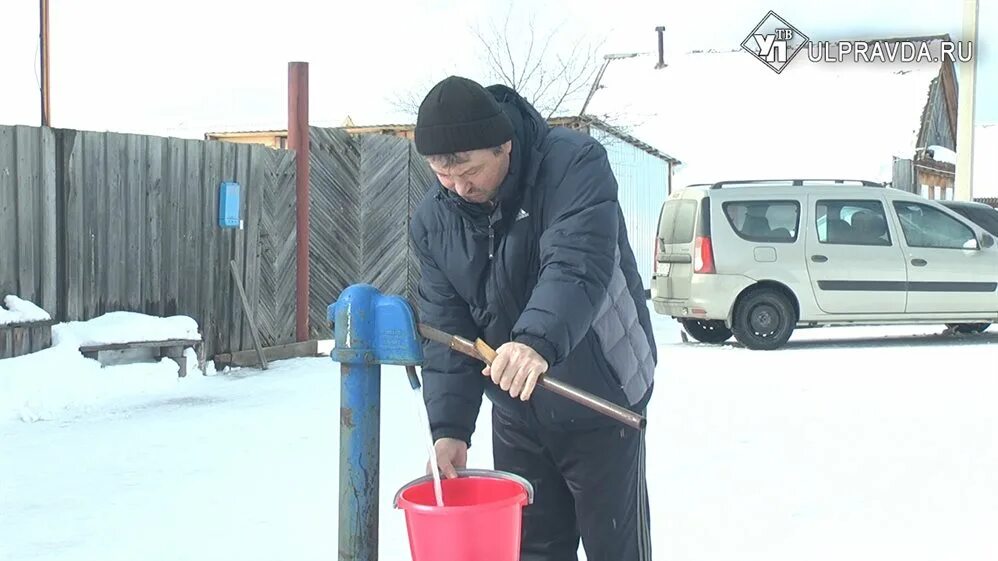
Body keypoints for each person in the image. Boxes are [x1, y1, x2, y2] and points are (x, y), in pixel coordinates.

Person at [409, 75, 657, 561]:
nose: (459, 187)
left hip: (598, 391)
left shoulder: (574, 164)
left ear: (503, 145)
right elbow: (448, 330)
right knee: (533, 549)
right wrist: (450, 430)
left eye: (470, 171)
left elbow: (575, 262)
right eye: (441, 174)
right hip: (518, 406)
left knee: (615, 547)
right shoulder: (434, 220)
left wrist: (535, 341)